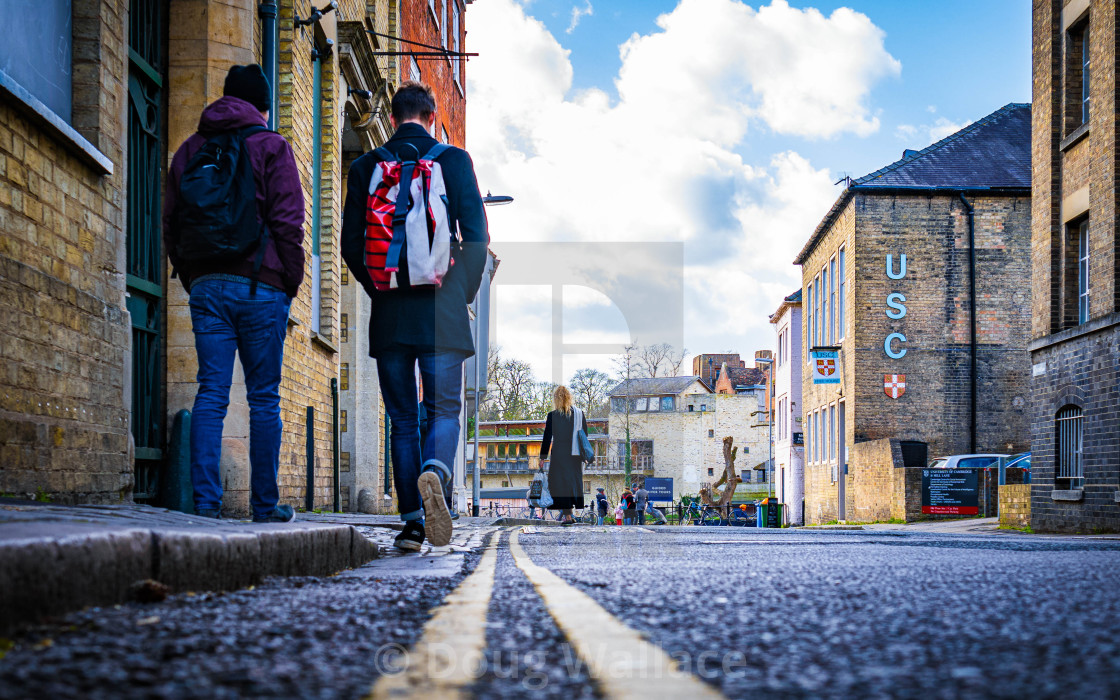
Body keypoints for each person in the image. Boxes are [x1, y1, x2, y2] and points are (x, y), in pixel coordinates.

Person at [341, 82, 488, 551]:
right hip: (442, 311)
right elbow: (479, 240)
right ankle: (437, 471)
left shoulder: (367, 166)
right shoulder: (455, 161)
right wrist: (457, 292)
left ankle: (410, 524)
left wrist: (380, 289)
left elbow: (350, 246)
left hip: (390, 315)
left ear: (392, 115)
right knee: (445, 408)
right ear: (429, 115)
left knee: (402, 419)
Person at [163, 64, 305, 523]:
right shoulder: (271, 145)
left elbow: (171, 223)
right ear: (262, 106)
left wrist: (193, 276)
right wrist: (289, 282)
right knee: (264, 397)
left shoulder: (190, 149)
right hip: (261, 286)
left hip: (207, 286)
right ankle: (264, 505)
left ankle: (205, 504)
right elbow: (288, 223)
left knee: (211, 393)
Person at [539, 386, 589, 526]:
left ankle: (567, 515)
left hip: (559, 454)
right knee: (572, 483)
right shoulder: (579, 414)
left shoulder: (552, 415)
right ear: (569, 397)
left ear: (556, 399)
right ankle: (569, 513)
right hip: (575, 454)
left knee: (560, 485)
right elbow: (584, 435)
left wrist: (542, 457)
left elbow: (547, 437)